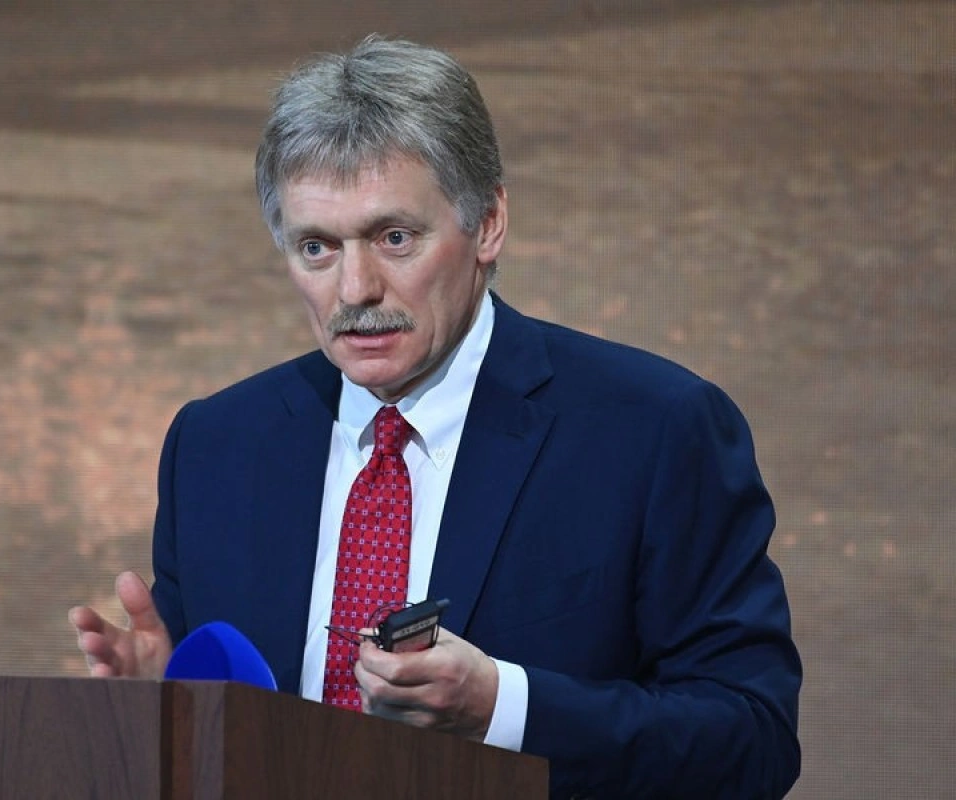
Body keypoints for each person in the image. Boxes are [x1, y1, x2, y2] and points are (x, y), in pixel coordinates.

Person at [69, 35, 801, 799]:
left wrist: (503, 709)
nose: (356, 287)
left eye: (394, 238)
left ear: (488, 224)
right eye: (316, 247)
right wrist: (165, 712)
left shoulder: (653, 430)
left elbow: (752, 739)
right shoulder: (218, 445)